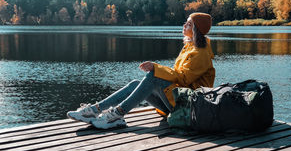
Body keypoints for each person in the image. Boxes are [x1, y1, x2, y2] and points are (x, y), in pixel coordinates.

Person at [67, 12, 215, 129]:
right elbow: (178, 76)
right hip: (177, 101)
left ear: (196, 30)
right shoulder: (190, 48)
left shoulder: (201, 53)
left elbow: (183, 79)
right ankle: (95, 109)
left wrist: (156, 68)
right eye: (186, 22)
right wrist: (158, 70)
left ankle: (117, 114)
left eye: (189, 24)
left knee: (153, 77)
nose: (184, 25)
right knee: (135, 84)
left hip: (188, 107)